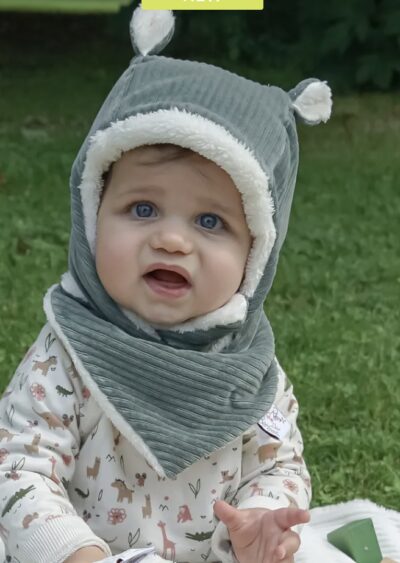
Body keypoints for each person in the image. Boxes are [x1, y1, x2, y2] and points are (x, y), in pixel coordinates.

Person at [0, 6, 332, 563]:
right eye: (143, 208)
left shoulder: (250, 372)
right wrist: (76, 553)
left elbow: (278, 466)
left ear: (256, 255)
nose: (172, 241)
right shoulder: (68, 355)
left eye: (210, 222)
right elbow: (18, 468)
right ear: (92, 214)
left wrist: (261, 521)